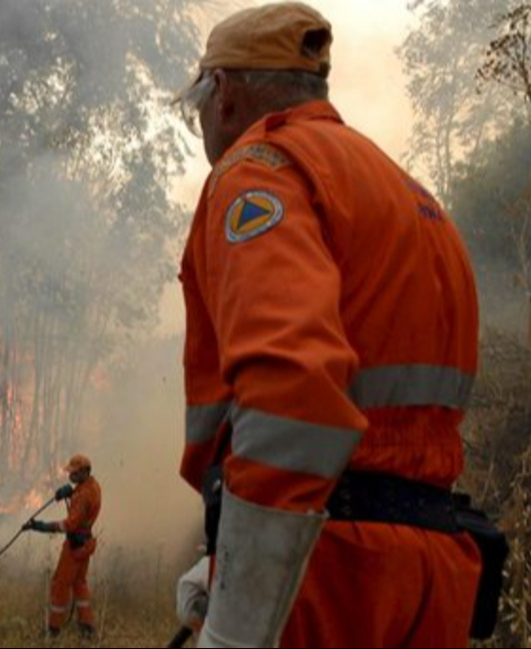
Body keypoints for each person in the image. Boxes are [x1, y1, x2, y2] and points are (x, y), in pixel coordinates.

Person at [173, 2, 494, 647]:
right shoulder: (407, 193)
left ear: (225, 94)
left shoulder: (260, 169)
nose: (202, 124)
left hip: (332, 577)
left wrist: (237, 623)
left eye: (198, 104)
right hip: (430, 577)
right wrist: (232, 563)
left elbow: (293, 394)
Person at [23, 453, 102, 639]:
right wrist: (70, 493)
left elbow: (69, 524)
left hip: (75, 547)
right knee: (79, 583)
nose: (70, 476)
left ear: (84, 471)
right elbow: (82, 506)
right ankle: (87, 626)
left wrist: (40, 526)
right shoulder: (92, 485)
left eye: (74, 473)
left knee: (60, 584)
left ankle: (53, 629)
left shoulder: (83, 495)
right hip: (86, 542)